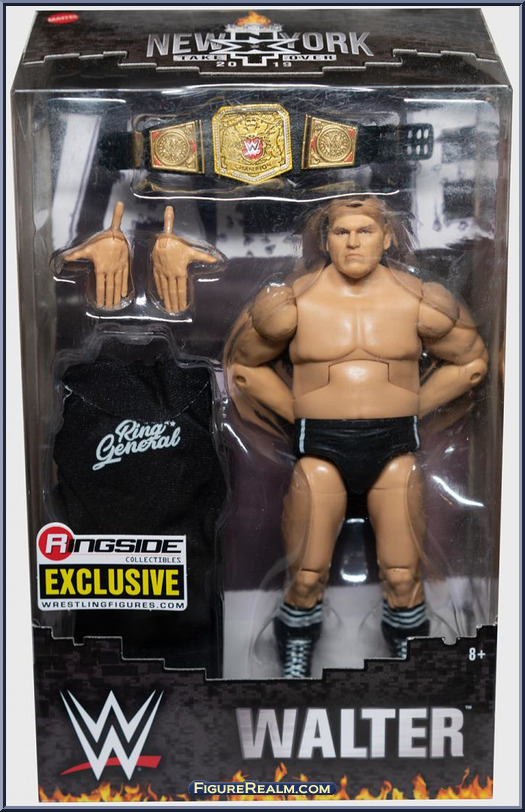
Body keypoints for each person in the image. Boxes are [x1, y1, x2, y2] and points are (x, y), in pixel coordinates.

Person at [226, 196, 489, 678]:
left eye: (364, 231)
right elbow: (245, 368)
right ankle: (294, 660)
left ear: (386, 237)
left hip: (395, 450)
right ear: (325, 240)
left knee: (404, 576)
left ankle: (409, 663)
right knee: (306, 575)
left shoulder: (418, 300)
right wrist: (298, 414)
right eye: (341, 232)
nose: (352, 242)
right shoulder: (294, 302)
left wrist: (413, 409)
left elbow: (471, 364)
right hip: (319, 452)